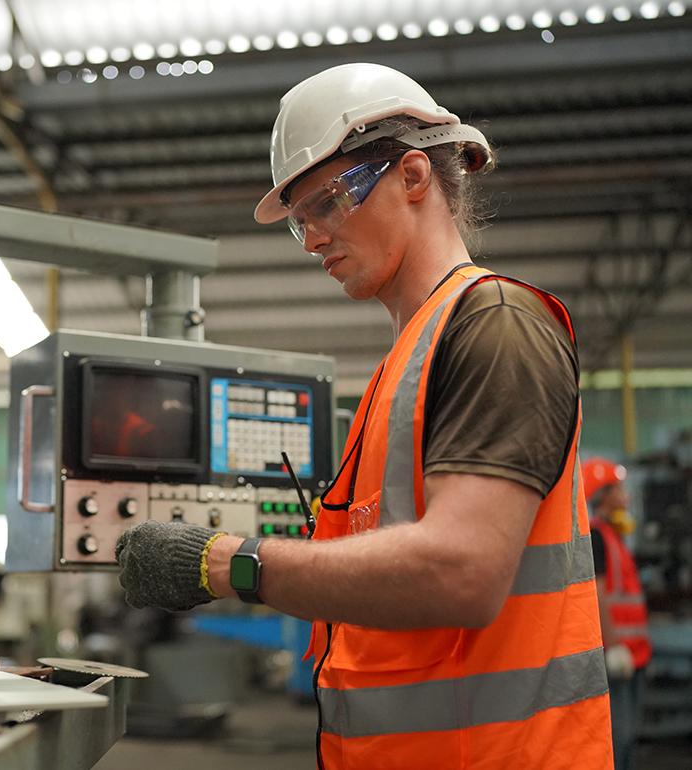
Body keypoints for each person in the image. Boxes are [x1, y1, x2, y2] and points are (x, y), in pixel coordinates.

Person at [114, 63, 613, 769]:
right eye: (299, 222)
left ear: (414, 176)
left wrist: (231, 564)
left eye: (327, 202)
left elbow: (462, 572)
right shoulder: (403, 365)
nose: (314, 237)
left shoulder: (496, 325)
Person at [584, 457, 652, 770]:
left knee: (626, 739)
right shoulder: (597, 536)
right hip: (618, 657)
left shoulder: (614, 537)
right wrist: (613, 647)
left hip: (634, 655)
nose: (625, 496)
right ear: (603, 494)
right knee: (617, 740)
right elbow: (597, 594)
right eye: (618, 489)